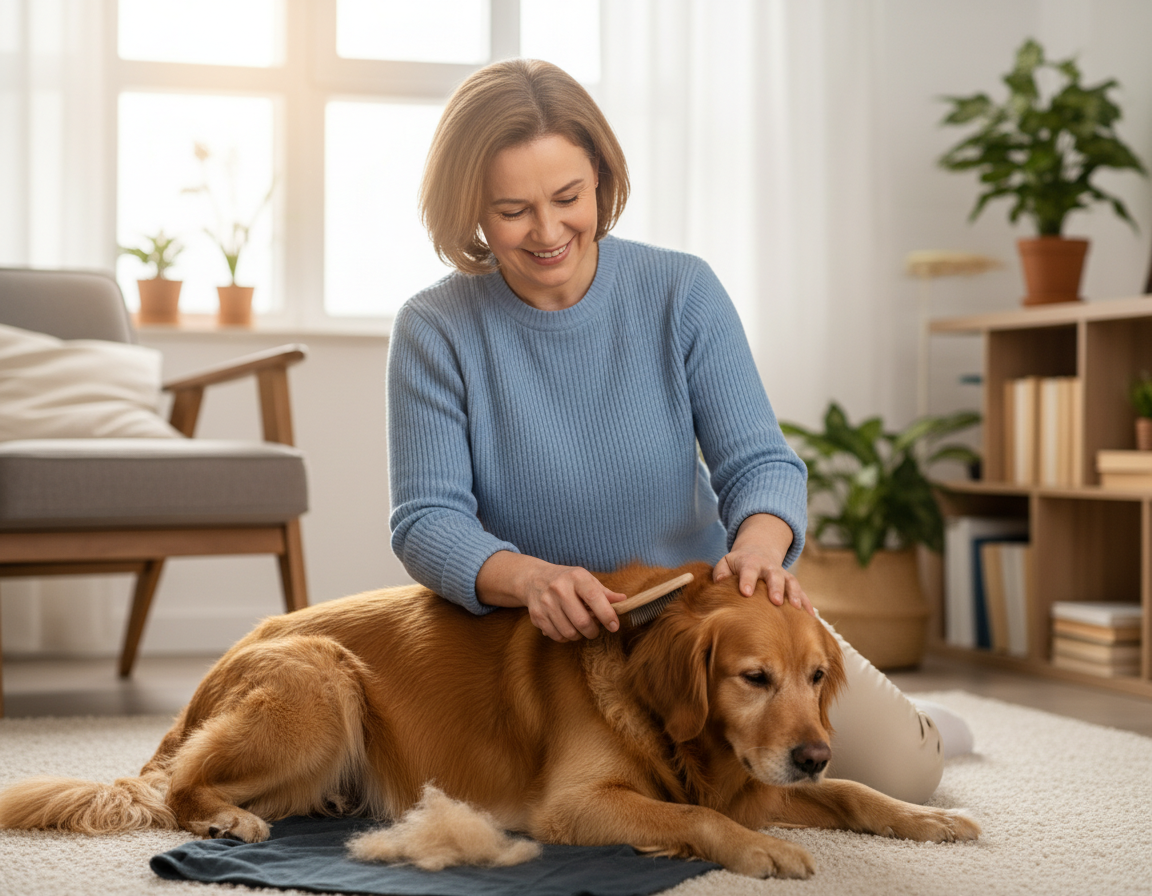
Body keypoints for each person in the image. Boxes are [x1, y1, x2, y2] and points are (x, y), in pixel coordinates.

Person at [387, 58, 965, 804]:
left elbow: (760, 462)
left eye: (568, 196)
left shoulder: (681, 290)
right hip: (536, 641)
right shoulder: (434, 327)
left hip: (694, 625)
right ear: (469, 207)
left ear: (599, 175)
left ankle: (923, 723)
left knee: (907, 772)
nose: (548, 231)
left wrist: (757, 551)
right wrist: (532, 579)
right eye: (512, 209)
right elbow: (427, 521)